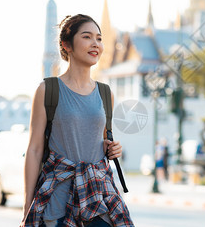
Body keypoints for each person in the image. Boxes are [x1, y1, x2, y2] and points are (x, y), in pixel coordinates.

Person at [21, 14, 134, 227]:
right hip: (57, 198)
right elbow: (35, 149)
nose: (95, 44)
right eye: (87, 37)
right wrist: (28, 206)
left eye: (99, 38)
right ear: (67, 45)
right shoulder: (47, 90)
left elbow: (100, 140)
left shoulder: (105, 93)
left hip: (98, 196)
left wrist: (113, 148)